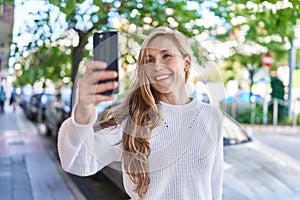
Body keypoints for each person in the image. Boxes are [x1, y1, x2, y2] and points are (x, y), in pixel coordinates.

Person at [58, 27, 224, 200]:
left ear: (187, 63)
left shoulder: (212, 116)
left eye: (166, 56)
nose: (157, 66)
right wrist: (83, 110)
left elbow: (214, 187)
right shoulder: (131, 119)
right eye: (149, 60)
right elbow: (76, 163)